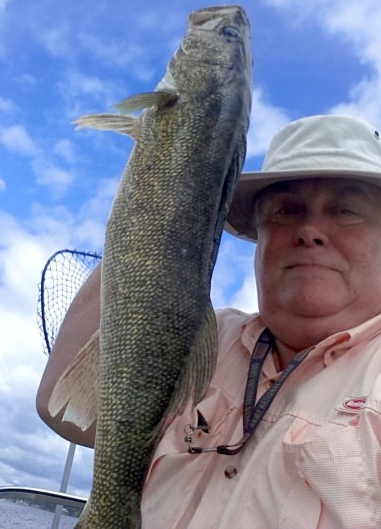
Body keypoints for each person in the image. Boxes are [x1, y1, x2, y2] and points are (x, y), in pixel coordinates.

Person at [36, 114, 381, 528]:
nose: (310, 230)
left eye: (346, 210)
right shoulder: (204, 335)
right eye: (286, 211)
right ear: (259, 239)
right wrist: (161, 200)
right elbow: (69, 413)